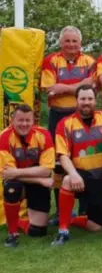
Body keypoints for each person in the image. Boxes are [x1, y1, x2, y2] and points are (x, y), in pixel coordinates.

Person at [51, 85, 102, 246]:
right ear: (76, 100)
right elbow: (63, 156)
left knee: (96, 227)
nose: (86, 102)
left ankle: (73, 219)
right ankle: (63, 230)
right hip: (80, 176)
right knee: (67, 180)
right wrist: (73, 174)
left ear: (95, 100)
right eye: (82, 99)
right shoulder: (65, 124)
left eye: (90, 99)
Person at [40, 26, 96, 223]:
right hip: (58, 116)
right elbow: (49, 89)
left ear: (80, 43)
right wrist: (80, 86)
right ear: (61, 43)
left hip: (82, 114)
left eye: (75, 41)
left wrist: (64, 88)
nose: (71, 45)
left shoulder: (89, 61)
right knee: (58, 164)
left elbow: (92, 88)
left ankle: (84, 210)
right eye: (67, 41)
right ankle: (61, 211)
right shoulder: (50, 61)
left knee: (84, 159)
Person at [1, 105, 54, 247]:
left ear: (33, 121)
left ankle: (18, 221)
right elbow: (8, 174)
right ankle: (12, 233)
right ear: (12, 120)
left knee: (38, 232)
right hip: (23, 182)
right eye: (20, 120)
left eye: (27, 120)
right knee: (11, 187)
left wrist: (17, 173)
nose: (24, 124)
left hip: (34, 182)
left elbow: (47, 171)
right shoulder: (4, 137)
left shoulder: (44, 135)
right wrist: (40, 180)